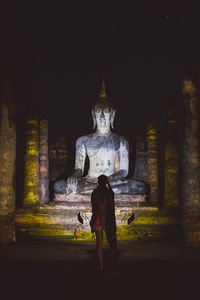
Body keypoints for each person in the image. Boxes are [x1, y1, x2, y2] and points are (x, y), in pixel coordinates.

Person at [90, 175, 117, 271]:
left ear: (98, 182)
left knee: (99, 242)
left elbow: (93, 206)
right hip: (108, 219)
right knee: (110, 238)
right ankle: (113, 256)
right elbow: (111, 209)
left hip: (97, 219)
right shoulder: (110, 193)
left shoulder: (94, 193)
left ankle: (101, 264)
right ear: (106, 182)